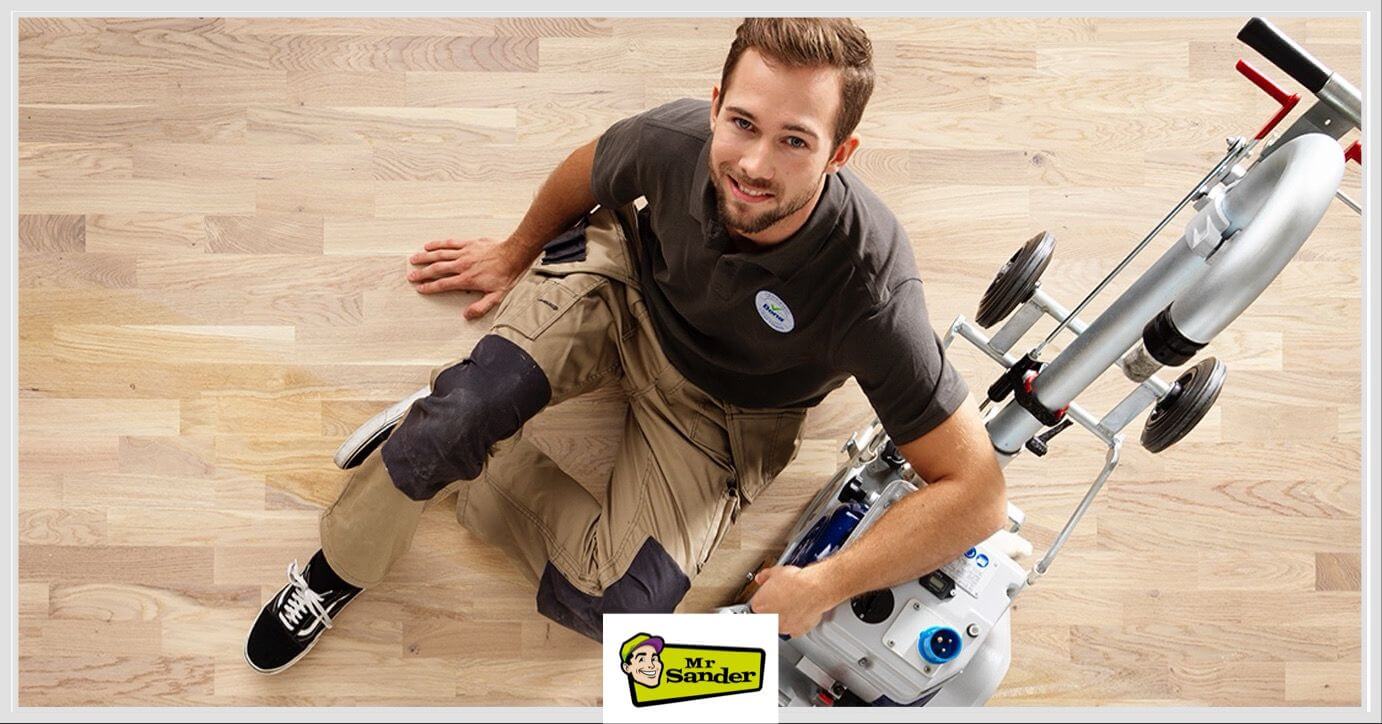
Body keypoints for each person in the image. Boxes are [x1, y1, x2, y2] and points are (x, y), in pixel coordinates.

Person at [245, 17, 1006, 675]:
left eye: (795, 141)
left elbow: (975, 494)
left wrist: (827, 583)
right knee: (459, 418)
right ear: (715, 107)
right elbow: (592, 165)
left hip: (728, 409)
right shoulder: (672, 139)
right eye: (741, 123)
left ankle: (446, 442)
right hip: (624, 292)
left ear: (839, 153)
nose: (752, 165)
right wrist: (514, 252)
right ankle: (350, 549)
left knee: (613, 616)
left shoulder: (871, 292)